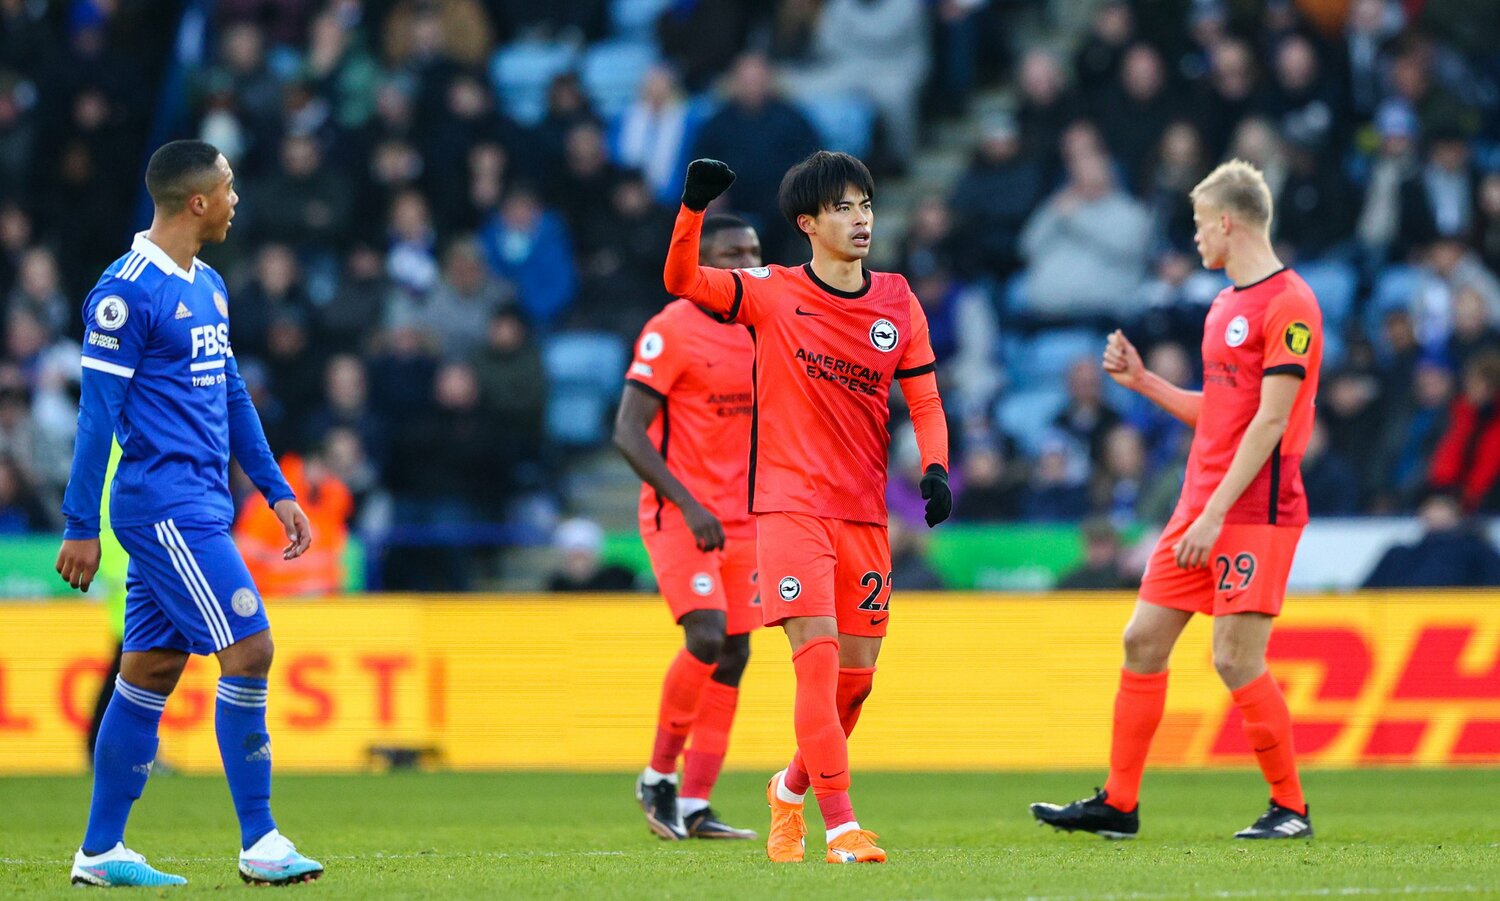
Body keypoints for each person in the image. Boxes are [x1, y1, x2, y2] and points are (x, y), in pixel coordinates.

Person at [663, 152, 952, 864]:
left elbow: (924, 398)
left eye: (866, 206)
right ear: (808, 224)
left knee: (857, 681)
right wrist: (693, 209)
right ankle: (842, 826)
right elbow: (681, 281)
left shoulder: (897, 299)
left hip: (862, 514)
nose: (861, 220)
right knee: (816, 665)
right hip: (789, 506)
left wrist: (938, 468)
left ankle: (788, 789)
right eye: (844, 209)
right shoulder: (771, 291)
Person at [55, 140, 323, 887]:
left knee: (148, 669)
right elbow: (95, 416)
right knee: (251, 648)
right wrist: (80, 523)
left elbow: (231, 395)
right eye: (230, 187)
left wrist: (276, 491)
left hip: (203, 501)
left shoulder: (208, 285)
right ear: (197, 201)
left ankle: (101, 850)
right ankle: (261, 838)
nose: (238, 199)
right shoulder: (125, 292)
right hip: (163, 505)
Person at [1031, 159, 1324, 841]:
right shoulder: (1224, 304)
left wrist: (1217, 512)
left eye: (1198, 225)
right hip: (1202, 504)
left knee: (1234, 657)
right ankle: (1120, 802)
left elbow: (1272, 423)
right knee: (1141, 640)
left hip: (1254, 510)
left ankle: (1291, 807)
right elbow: (1224, 413)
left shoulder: (1292, 303)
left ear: (1226, 220)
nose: (1195, 240)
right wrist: (1144, 383)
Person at [615, 214, 764, 842]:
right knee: (705, 637)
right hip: (680, 513)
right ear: (701, 265)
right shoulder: (669, 329)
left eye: (754, 253)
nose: (747, 264)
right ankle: (658, 777)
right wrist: (690, 502)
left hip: (747, 516)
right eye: (731, 254)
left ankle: (697, 804)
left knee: (736, 652)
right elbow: (626, 431)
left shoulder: (765, 327)